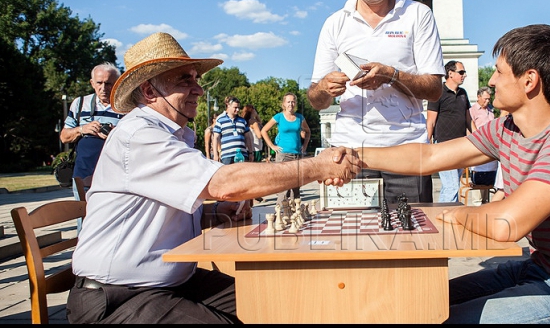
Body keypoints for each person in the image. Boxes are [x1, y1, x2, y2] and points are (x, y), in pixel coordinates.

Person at [66, 32, 359, 324]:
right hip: (119, 297)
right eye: (184, 80)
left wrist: (213, 212)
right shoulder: (140, 135)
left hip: (169, 284)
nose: (198, 89)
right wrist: (317, 167)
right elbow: (223, 184)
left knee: (278, 300)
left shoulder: (173, 133)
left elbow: (158, 210)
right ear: (149, 91)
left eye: (196, 79)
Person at [354, 24, 550, 324]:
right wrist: (354, 156)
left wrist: (454, 214)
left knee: (438, 318)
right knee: (419, 303)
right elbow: (429, 156)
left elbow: (506, 224)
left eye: (499, 71)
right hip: (539, 268)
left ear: (529, 81)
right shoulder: (508, 129)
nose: (492, 80)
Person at [307, 0, 444, 204]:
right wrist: (324, 88)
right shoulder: (336, 23)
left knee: (412, 241)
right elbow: (315, 99)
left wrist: (390, 76)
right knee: (352, 242)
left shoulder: (418, 15)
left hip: (406, 153)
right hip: (350, 154)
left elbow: (435, 90)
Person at [60, 62, 123, 230]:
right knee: (84, 219)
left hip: (115, 174)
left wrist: (115, 133)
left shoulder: (126, 106)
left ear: (117, 83)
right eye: (99, 83)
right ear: (92, 83)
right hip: (84, 173)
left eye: (108, 83)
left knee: (112, 220)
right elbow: (64, 136)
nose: (103, 88)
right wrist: (83, 129)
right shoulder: (80, 104)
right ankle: (82, 252)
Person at [427, 60, 472, 202]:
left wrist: (477, 138)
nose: (464, 75)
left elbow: (469, 120)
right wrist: (427, 145)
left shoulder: (463, 93)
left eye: (464, 72)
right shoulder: (437, 92)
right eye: (461, 72)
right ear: (450, 73)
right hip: (444, 146)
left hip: (461, 146)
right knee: (452, 186)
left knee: (451, 186)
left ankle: (442, 215)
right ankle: (445, 218)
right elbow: (431, 121)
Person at [260, 93, 311, 202]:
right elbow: (264, 130)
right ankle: (280, 211)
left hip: (297, 154)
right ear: (284, 104)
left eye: (293, 101)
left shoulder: (300, 118)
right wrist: (272, 146)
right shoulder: (279, 117)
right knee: (283, 185)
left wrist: (304, 146)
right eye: (288, 102)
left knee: (296, 185)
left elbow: (308, 131)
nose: (291, 104)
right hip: (283, 155)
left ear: (295, 103)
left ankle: (295, 212)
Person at [468, 87, 498, 203]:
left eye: (489, 99)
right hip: (478, 145)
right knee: (477, 196)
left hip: (490, 148)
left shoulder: (490, 110)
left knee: (487, 194)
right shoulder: (472, 111)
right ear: (478, 97)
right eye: (485, 99)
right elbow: (469, 128)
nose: (487, 102)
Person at [213, 96, 253, 164]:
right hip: (227, 155)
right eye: (235, 107)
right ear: (228, 106)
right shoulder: (220, 121)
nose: (237, 110)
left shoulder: (243, 121)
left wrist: (251, 152)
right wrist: (215, 154)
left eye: (238, 108)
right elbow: (216, 138)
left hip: (242, 154)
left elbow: (247, 137)